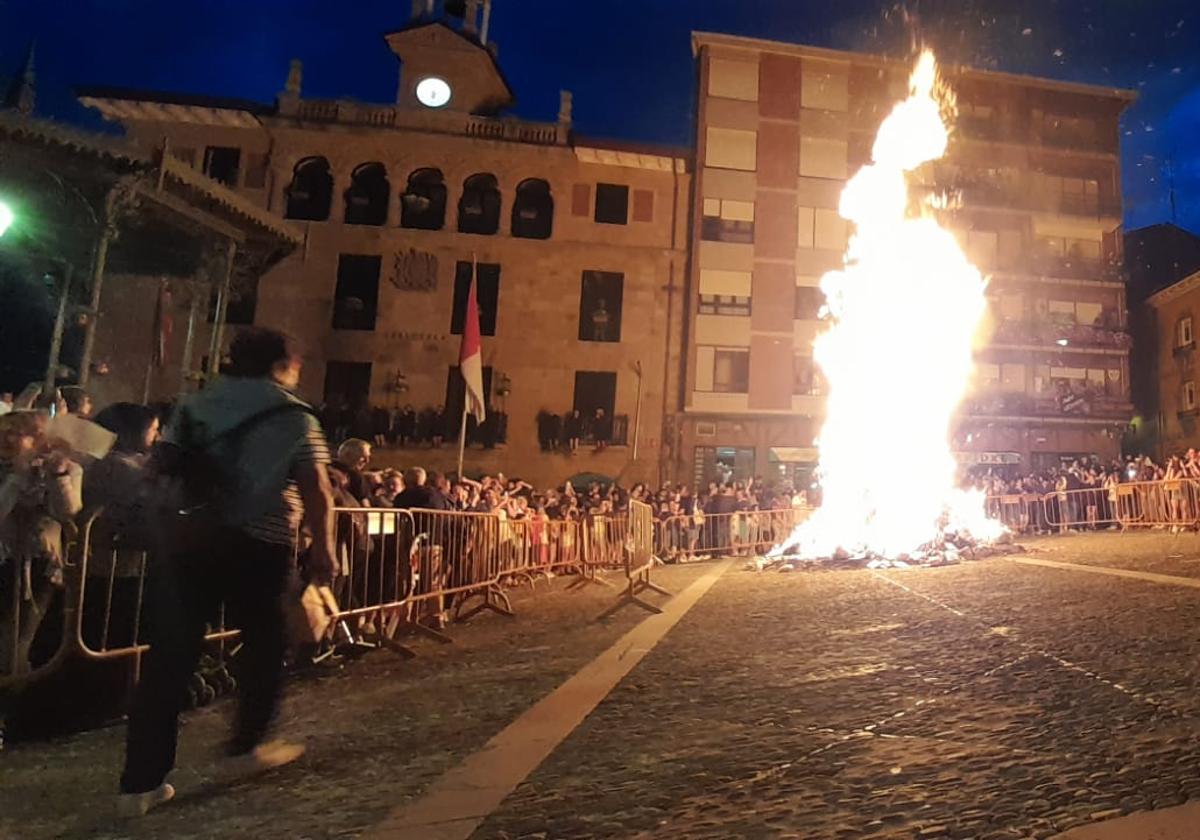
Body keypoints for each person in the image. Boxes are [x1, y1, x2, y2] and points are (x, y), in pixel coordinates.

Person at [117, 327, 337, 818]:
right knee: (265, 645)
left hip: (192, 541)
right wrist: (324, 548)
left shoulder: (195, 405)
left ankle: (139, 783)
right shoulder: (293, 415)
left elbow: (159, 469)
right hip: (261, 542)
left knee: (170, 658)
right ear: (283, 364)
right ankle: (245, 744)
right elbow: (317, 488)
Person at [331, 438, 373, 505]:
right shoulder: (356, 476)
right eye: (363, 457)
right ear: (348, 455)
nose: (367, 461)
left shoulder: (322, 469)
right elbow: (365, 507)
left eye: (368, 457)